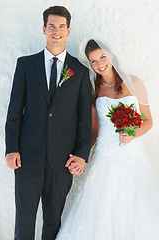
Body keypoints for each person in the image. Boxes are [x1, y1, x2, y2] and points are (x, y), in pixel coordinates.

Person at [55, 37, 159, 240]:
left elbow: (148, 121)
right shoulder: (94, 91)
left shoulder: (134, 82)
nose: (99, 64)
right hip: (104, 157)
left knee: (133, 206)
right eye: (93, 61)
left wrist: (132, 133)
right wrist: (80, 155)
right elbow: (93, 132)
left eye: (102, 57)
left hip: (132, 157)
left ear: (111, 55)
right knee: (102, 206)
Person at [5, 6, 92, 240]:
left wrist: (82, 154)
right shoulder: (25, 65)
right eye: (52, 26)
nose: (56, 31)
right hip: (27, 157)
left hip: (62, 161)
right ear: (44, 29)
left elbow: (85, 119)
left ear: (68, 31)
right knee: (24, 219)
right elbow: (14, 111)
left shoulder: (80, 72)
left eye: (61, 26)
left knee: (53, 221)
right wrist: (11, 147)